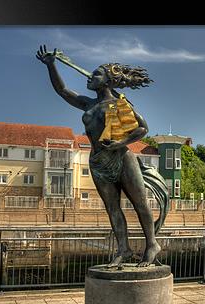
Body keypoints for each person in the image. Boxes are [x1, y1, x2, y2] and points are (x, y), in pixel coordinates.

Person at [36, 45, 169, 267]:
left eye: (96, 74)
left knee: (140, 203)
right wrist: (51, 65)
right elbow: (63, 90)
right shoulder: (88, 104)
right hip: (98, 162)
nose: (90, 76)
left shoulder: (119, 103)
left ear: (107, 81)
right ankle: (123, 249)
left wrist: (121, 142)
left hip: (122, 157)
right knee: (112, 208)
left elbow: (142, 128)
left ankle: (152, 244)